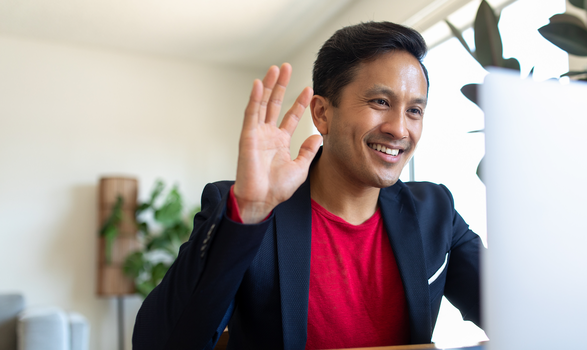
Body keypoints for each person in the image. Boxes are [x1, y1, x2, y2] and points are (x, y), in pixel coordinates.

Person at [133, 21, 483, 350]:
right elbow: (159, 343)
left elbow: (513, 309)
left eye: (415, 111)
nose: (399, 129)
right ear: (322, 113)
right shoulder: (250, 214)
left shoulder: (436, 212)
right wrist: (248, 216)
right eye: (380, 102)